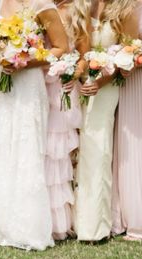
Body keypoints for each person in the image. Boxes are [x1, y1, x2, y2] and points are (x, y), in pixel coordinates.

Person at [0, 0, 69, 250]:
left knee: (25, 147)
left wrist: (26, 60)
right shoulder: (1, 2)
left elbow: (61, 47)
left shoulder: (42, 5)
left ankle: (26, 225)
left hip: (27, 83)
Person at [74, 0, 138, 242]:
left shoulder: (125, 9)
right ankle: (72, 221)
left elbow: (129, 55)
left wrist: (99, 81)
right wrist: (77, 76)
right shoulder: (80, 6)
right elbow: (76, 50)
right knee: (74, 149)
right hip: (78, 83)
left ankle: (94, 226)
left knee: (97, 148)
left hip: (106, 85)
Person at [112, 0, 142, 241]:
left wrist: (135, 60)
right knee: (129, 149)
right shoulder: (123, 1)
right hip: (125, 83)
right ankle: (131, 216)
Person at [45, 0, 90, 240]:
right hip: (39, 87)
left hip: (63, 90)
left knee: (59, 155)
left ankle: (59, 221)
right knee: (40, 153)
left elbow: (84, 56)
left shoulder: (78, 10)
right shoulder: (38, 7)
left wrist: (75, 72)